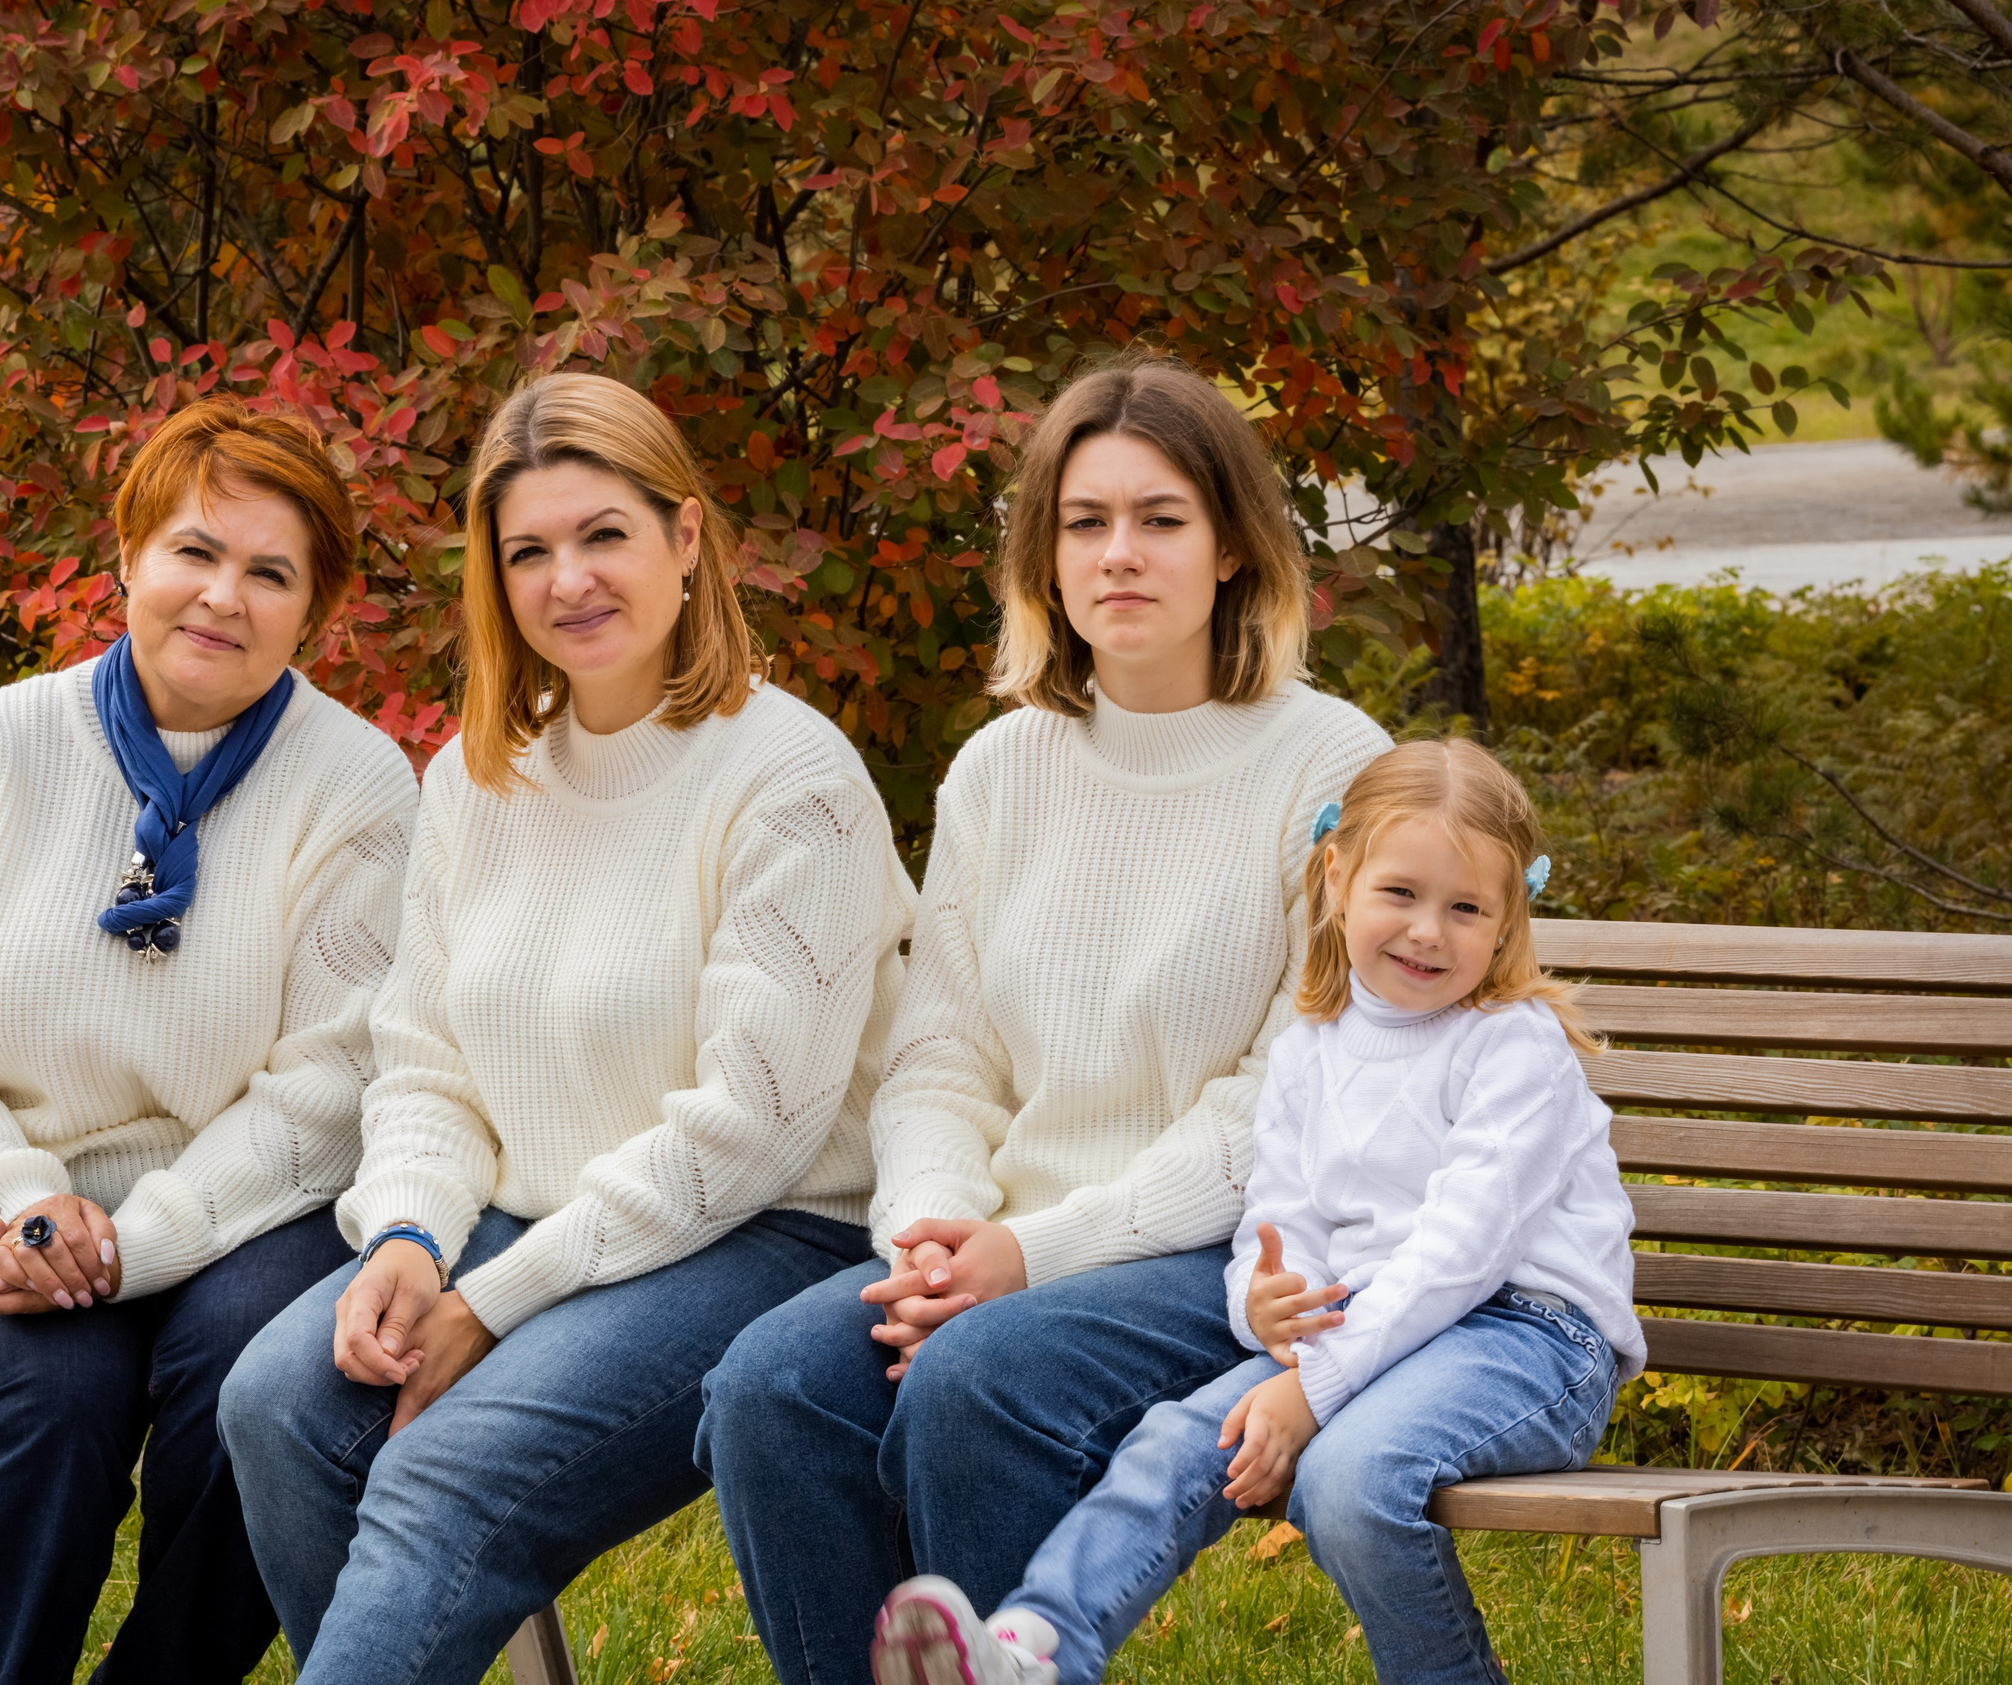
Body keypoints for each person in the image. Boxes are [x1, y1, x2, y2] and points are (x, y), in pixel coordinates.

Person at [697, 351, 1394, 1685]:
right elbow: (939, 1052)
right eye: (1085, 522)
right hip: (1000, 1244)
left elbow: (1284, 1099)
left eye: (1160, 518)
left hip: (1227, 1259)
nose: (1118, 554)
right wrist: (929, 1238)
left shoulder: (1332, 767)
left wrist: (1032, 1250)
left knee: (976, 1383)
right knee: (772, 1384)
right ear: (1044, 554)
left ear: (1236, 548)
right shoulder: (1002, 767)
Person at [217, 373, 916, 1685]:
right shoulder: (476, 776)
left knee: (448, 1471)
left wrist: (496, 1297)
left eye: (604, 534)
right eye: (526, 549)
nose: (568, 579)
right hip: (520, 1220)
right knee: (277, 1402)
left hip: (766, 1229)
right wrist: (417, 1239)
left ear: (688, 539)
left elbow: (754, 1126)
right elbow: (425, 1065)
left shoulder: (790, 777)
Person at [0, 399, 420, 1685]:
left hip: (249, 1207)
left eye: (271, 573)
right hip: (7, 1201)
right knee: (57, 1403)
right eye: (195, 552)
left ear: (313, 609)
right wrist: (21, 1208)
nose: (223, 597)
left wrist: (140, 1240)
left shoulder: (360, 781)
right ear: (128, 561)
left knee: (261, 1387)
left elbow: (334, 1078)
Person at [865, 737, 1643, 1685]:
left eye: (1467, 908)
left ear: (1509, 916)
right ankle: (1037, 1651)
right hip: (1364, 1330)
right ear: (1336, 877)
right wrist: (1264, 1306)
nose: (1429, 931)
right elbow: (1281, 1221)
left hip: (1530, 1341)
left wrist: (1311, 1391)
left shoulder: (1511, 1047)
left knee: (1349, 1477)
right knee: (1175, 1442)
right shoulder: (1314, 1046)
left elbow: (1461, 1252)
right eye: (1400, 893)